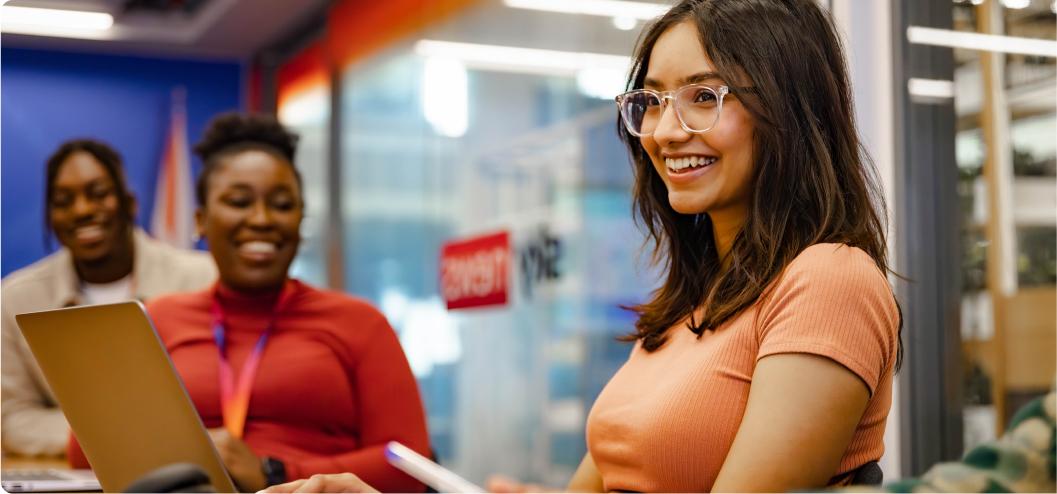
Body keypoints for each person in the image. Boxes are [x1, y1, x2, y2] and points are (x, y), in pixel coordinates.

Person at [263, 0, 902, 492]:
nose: (665, 130)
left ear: (790, 109)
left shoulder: (829, 280)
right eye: (651, 101)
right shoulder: (691, 304)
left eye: (704, 97)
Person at [66, 113, 431, 493]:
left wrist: (276, 472)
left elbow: (410, 463)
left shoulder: (359, 322)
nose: (261, 219)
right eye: (239, 202)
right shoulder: (158, 318)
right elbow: (85, 453)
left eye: (282, 204)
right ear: (201, 220)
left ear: (300, 220)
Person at [1, 139, 217, 457]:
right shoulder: (15, 299)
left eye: (98, 193)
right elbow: (11, 419)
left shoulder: (203, 279)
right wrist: (124, 438)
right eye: (63, 200)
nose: (83, 210)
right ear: (50, 216)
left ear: (130, 203)